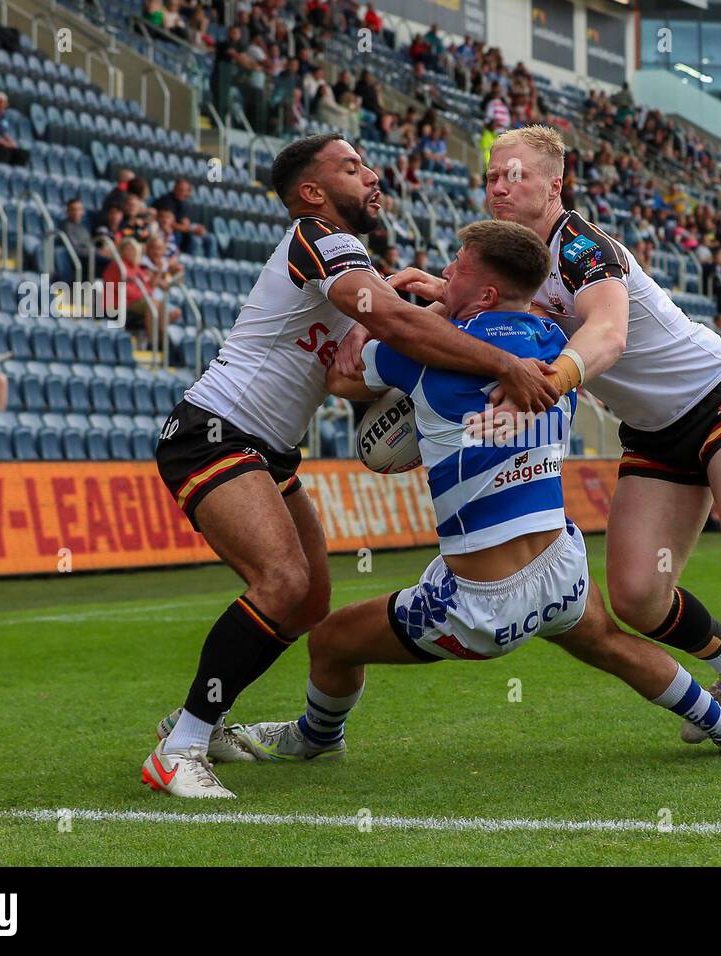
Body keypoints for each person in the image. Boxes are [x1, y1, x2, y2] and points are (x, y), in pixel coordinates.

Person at [383, 125, 721, 767]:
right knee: (636, 597)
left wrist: (547, 380)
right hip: (653, 432)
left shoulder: (582, 246)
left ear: (555, 186)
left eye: (518, 175)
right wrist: (437, 298)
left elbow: (610, 334)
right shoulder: (514, 265)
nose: (501, 186)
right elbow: (498, 317)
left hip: (720, 396)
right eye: (493, 176)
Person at [227, 220, 721, 777]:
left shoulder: (422, 357)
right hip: (559, 565)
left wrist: (414, 319)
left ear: (486, 292)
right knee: (610, 644)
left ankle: (318, 737)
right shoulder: (555, 344)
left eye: (458, 267)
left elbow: (343, 378)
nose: (445, 272)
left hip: (479, 602)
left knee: (331, 640)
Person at [142, 134, 560, 798]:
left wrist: (439, 307)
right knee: (281, 582)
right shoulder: (318, 236)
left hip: (267, 448)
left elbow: (358, 358)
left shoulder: (348, 258)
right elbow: (393, 323)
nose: (372, 174)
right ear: (313, 193)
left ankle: (206, 717)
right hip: (214, 433)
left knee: (309, 599)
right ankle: (181, 745)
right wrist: (504, 362)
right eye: (352, 167)